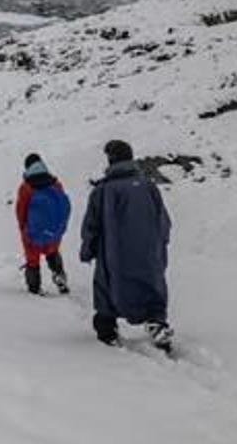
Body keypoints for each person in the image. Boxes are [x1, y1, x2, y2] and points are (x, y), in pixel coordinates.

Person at [79, 140, 174, 351]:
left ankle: (107, 329)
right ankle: (157, 324)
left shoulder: (103, 191)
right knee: (151, 287)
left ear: (111, 159)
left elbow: (91, 226)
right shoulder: (149, 187)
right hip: (150, 253)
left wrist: (87, 250)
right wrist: (160, 245)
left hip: (114, 254)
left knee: (107, 287)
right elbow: (164, 221)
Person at [15, 153, 71, 295]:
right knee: (52, 252)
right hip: (53, 232)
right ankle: (60, 277)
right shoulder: (55, 184)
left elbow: (21, 211)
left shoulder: (26, 187)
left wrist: (23, 229)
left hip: (32, 233)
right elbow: (61, 207)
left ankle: (34, 289)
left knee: (33, 260)